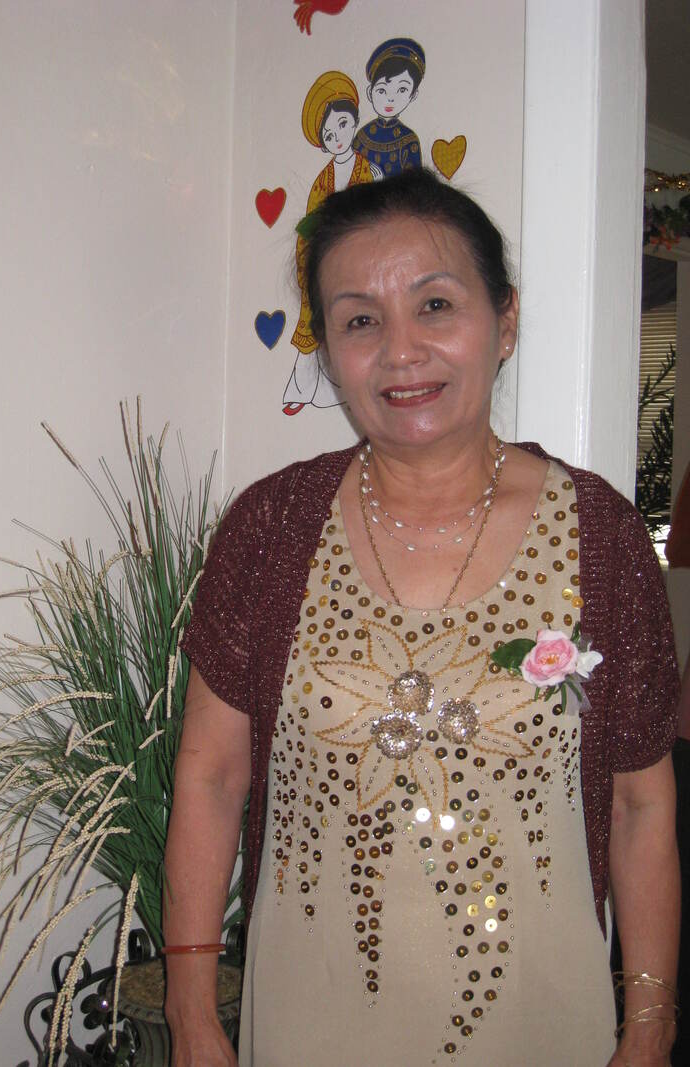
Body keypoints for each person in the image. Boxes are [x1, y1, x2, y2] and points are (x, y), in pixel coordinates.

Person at [163, 169, 680, 1066]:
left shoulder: (601, 533)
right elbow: (210, 777)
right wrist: (192, 1012)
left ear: (504, 322)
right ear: (331, 350)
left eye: (435, 305)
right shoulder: (271, 526)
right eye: (361, 320)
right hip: (309, 1025)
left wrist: (649, 1023)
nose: (401, 351)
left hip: (541, 1026)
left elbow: (641, 803)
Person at [283, 70, 379, 416]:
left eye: (341, 125)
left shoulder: (369, 172)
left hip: (362, 268)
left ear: (353, 121)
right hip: (325, 268)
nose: (337, 137)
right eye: (329, 134)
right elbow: (310, 228)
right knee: (315, 324)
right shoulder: (321, 181)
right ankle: (301, 387)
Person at [353, 37, 425, 177]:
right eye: (382, 90)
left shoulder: (409, 140)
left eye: (402, 90)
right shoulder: (362, 136)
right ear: (370, 93)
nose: (391, 98)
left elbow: (414, 186)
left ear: (413, 95)